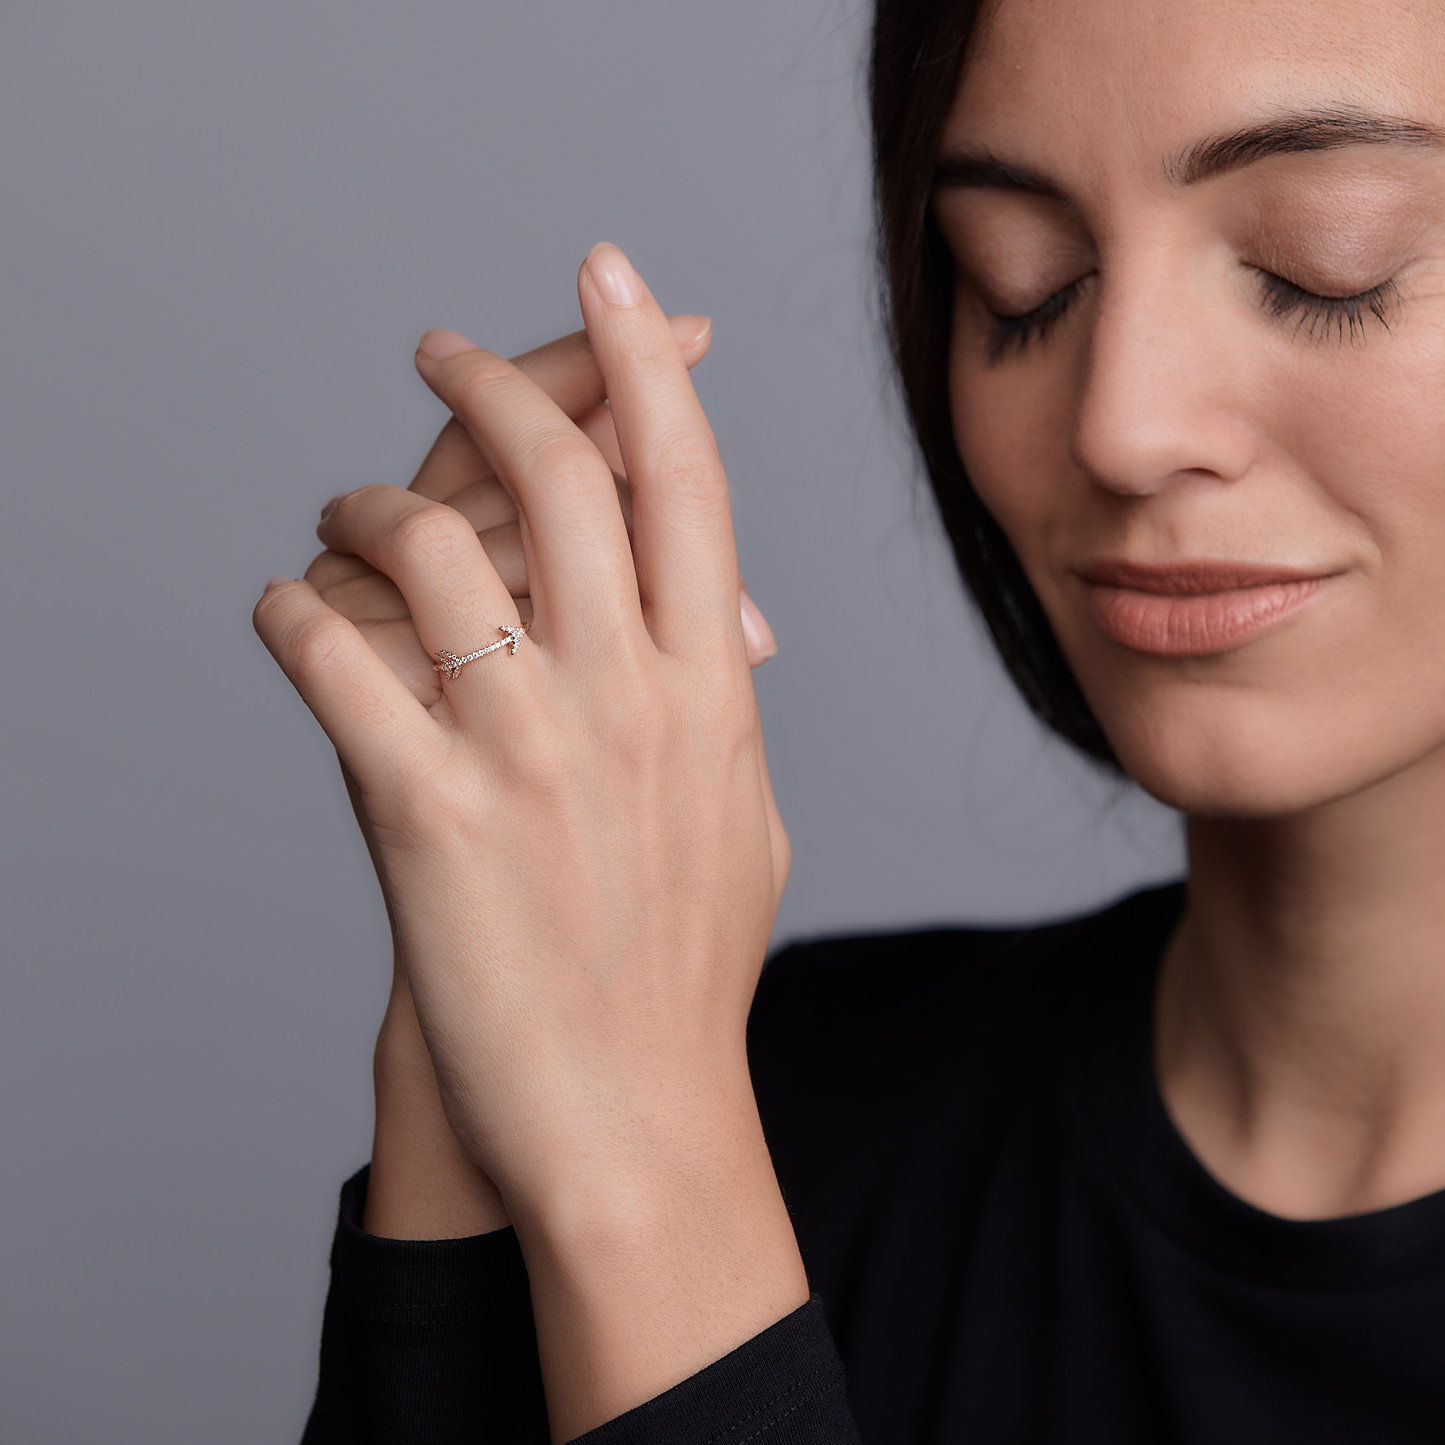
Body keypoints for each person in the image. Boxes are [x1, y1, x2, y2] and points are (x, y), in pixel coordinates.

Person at [254, 0, 1445, 1439]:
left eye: (1326, 267)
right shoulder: (788, 1100)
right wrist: (488, 1025)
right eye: (1024, 283)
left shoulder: (682, 1125)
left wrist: (648, 1180)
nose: (1118, 425)